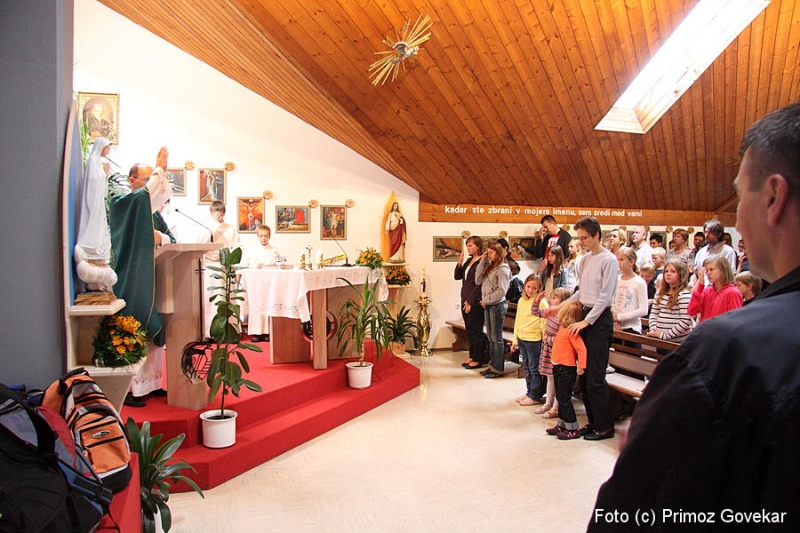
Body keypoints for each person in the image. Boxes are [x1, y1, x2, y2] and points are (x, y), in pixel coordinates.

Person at [591, 103, 800, 530]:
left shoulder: (730, 351)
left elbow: (635, 510)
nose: (739, 222)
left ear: (773, 197)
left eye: (740, 197)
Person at [109, 147, 173, 407]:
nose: (150, 186)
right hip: (131, 277)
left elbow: (172, 241)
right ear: (131, 181)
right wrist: (160, 171)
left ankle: (151, 383)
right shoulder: (122, 204)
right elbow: (140, 200)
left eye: (151, 180)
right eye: (146, 180)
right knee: (133, 327)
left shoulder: (154, 214)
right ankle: (130, 389)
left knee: (153, 331)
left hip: (155, 279)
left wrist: (161, 237)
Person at [545, 216, 618, 441]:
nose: (582, 241)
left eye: (585, 237)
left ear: (597, 235)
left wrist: (588, 322)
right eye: (579, 238)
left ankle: (605, 426)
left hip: (599, 319)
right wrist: (558, 308)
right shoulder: (585, 259)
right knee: (584, 377)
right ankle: (593, 422)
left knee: (595, 377)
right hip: (585, 314)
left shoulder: (609, 260)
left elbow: (605, 296)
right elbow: (581, 293)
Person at [74, 137, 117, 292]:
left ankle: (97, 258)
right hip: (94, 203)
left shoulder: (98, 162)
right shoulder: (93, 161)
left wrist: (104, 175)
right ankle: (91, 251)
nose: (109, 151)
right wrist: (104, 175)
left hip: (98, 203)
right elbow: (93, 182)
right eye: (108, 148)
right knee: (95, 226)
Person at [544, 301, 587, 440]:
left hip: (566, 369)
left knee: (564, 399)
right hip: (557, 367)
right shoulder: (562, 329)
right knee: (560, 397)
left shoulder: (572, 332)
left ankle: (572, 428)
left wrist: (581, 366)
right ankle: (562, 425)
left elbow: (581, 349)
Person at [531, 287, 572, 419]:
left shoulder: (564, 317)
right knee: (550, 378)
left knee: (558, 379)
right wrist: (537, 300)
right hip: (547, 348)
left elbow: (562, 337)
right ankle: (548, 403)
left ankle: (556, 407)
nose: (551, 300)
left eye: (554, 298)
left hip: (557, 350)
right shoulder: (551, 313)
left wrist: (548, 339)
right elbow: (535, 312)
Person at [200, 200, 238, 337]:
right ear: (211, 213)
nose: (218, 215)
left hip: (225, 266)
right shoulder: (206, 227)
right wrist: (210, 255)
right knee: (212, 299)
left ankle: (228, 331)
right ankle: (209, 332)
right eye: (216, 212)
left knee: (227, 297)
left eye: (221, 212)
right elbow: (201, 245)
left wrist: (225, 254)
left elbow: (237, 247)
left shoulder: (230, 228)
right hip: (211, 267)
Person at [475, 242, 511, 379]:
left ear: (498, 253)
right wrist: (481, 263)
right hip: (489, 304)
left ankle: (498, 368)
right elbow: (478, 280)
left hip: (497, 305)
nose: (488, 255)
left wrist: (487, 300)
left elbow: (501, 291)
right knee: (490, 337)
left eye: (491, 253)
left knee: (496, 337)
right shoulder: (490, 267)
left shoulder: (503, 270)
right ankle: (492, 365)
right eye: (487, 252)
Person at [454, 236, 488, 370]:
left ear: (478, 246)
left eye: (471, 245)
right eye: (467, 245)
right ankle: (472, 355)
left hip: (475, 301)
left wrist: (470, 301)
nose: (468, 248)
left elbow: (479, 284)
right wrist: (459, 263)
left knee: (476, 331)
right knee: (469, 330)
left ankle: (479, 359)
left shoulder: (483, 261)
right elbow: (457, 276)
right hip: (465, 298)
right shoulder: (469, 260)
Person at [512, 274, 546, 406]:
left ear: (539, 289)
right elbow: (518, 320)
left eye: (534, 288)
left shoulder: (541, 302)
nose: (530, 290)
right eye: (528, 287)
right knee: (526, 367)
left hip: (534, 339)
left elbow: (544, 322)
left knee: (534, 368)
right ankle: (529, 391)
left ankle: (535, 395)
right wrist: (515, 340)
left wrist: (544, 340)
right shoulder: (522, 300)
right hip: (522, 338)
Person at [645, 259, 695, 343]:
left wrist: (666, 335)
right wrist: (654, 329)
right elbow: (654, 314)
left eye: (673, 271)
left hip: (678, 341)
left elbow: (685, 321)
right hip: (660, 338)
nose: (668, 274)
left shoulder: (684, 294)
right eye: (666, 271)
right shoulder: (660, 292)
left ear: (681, 274)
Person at [688, 256, 743, 323]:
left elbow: (735, 321)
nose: (708, 273)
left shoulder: (733, 293)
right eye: (706, 270)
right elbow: (692, 311)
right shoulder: (706, 291)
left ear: (723, 270)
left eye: (711, 269)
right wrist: (700, 286)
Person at [612, 247, 648, 337]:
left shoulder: (639, 282)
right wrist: (614, 319)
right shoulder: (616, 279)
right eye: (617, 259)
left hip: (631, 327)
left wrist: (619, 317)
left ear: (631, 262)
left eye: (621, 259)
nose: (618, 262)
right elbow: (611, 301)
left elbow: (643, 310)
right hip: (615, 326)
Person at [692, 219, 737, 284]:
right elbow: (696, 273)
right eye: (706, 232)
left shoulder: (728, 251)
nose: (706, 235)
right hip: (702, 287)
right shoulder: (701, 252)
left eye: (710, 233)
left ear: (719, 234)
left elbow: (730, 275)